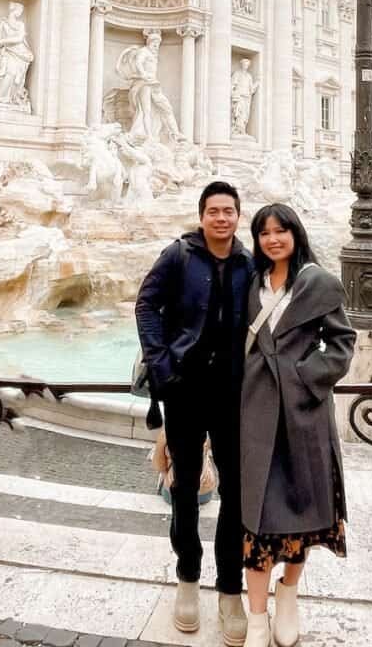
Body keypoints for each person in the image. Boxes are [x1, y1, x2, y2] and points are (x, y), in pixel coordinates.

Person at [135, 181, 254, 645]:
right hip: (184, 388)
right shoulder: (178, 254)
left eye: (228, 211)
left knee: (237, 492)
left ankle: (230, 589)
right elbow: (146, 303)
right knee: (184, 485)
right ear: (202, 216)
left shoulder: (248, 262)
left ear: (237, 216)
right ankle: (187, 577)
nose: (221, 218)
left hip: (232, 390)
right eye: (213, 211)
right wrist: (161, 364)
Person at [241, 204, 356, 647]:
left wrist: (305, 376)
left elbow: (342, 343)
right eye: (264, 233)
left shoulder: (317, 282)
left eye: (280, 231)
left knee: (300, 513)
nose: (272, 239)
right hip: (254, 412)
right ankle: (256, 617)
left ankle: (287, 594)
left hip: (302, 415)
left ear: (295, 234)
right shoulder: (250, 283)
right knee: (256, 521)